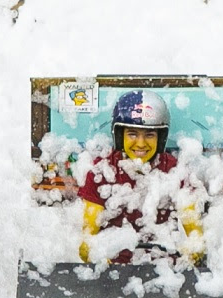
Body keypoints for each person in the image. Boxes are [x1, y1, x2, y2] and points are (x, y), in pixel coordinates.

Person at [78, 90, 204, 264]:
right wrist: (98, 260)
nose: (141, 143)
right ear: (120, 135)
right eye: (132, 134)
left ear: (161, 138)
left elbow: (195, 234)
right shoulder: (101, 171)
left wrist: (192, 252)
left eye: (150, 135)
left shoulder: (176, 171)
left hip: (164, 269)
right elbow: (87, 240)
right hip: (113, 271)